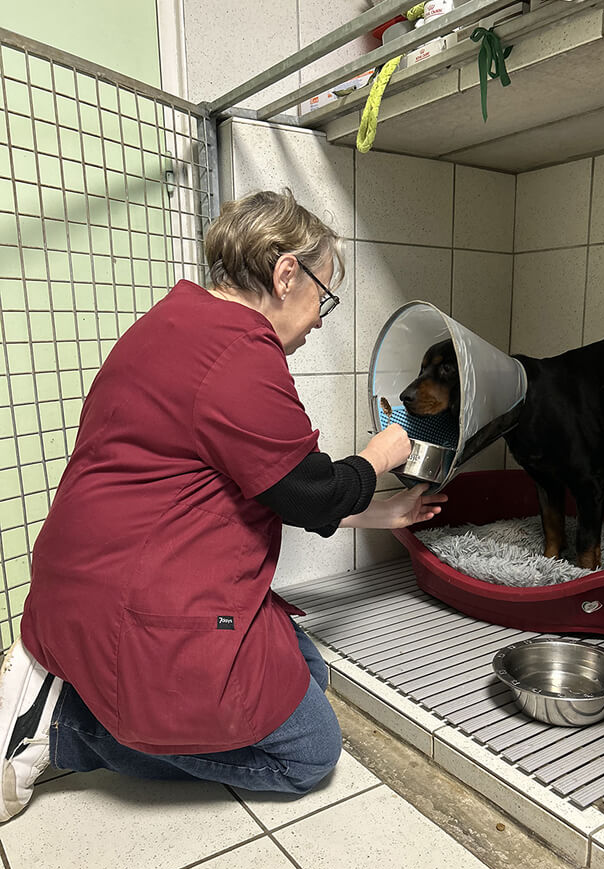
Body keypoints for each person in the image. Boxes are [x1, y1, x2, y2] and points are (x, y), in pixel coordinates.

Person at [0, 188, 446, 822]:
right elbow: (310, 488)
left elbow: (261, 483)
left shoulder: (175, 321)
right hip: (139, 601)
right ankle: (61, 729)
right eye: (324, 296)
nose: (320, 318)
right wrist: (386, 449)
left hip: (82, 581)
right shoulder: (238, 353)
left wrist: (379, 514)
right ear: (286, 272)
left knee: (308, 671)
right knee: (311, 754)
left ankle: (65, 683)